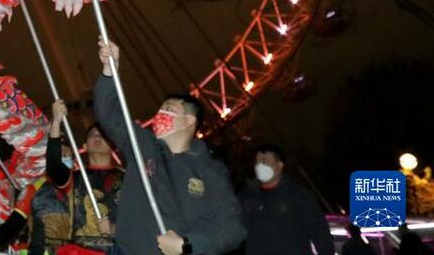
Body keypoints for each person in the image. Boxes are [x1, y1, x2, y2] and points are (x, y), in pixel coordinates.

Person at [94, 39, 245, 255]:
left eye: (169, 108)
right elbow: (108, 113)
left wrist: (188, 244)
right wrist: (110, 70)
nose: (160, 114)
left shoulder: (210, 171)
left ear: (188, 121)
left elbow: (231, 228)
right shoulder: (142, 146)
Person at [47, 100, 124, 255]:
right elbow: (54, 166)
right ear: (85, 146)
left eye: (103, 135)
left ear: (113, 145)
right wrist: (56, 122)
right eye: (92, 135)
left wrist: (115, 228)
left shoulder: (127, 177)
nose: (97, 137)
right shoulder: (73, 177)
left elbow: (141, 215)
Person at [0, 139, 79, 255]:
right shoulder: (36, 189)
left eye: (66, 155)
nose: (61, 159)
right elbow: (15, 221)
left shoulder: (84, 186)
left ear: (74, 161)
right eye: (57, 156)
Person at [239, 142, 333, 255]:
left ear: (279, 165)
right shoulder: (246, 197)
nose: (260, 165)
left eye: (265, 160)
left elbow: (319, 231)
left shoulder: (297, 195)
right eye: (257, 161)